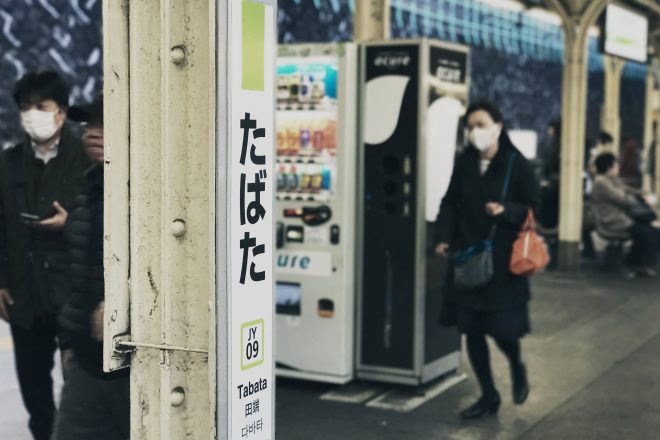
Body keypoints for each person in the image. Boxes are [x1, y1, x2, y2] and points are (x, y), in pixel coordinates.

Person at [435, 101, 539, 419]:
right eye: (469, 127)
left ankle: (516, 364)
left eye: (480, 124)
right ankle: (488, 395)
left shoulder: (515, 164)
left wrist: (506, 210)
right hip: (467, 257)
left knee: (502, 330)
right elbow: (450, 202)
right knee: (471, 330)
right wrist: (443, 237)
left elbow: (536, 208)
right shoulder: (465, 162)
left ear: (498, 126)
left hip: (501, 261)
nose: (474, 132)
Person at [0, 71, 89, 440]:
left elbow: (107, 223)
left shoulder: (85, 156)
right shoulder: (9, 161)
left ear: (62, 112)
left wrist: (70, 223)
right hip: (24, 293)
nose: (31, 115)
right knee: (35, 393)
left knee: (81, 390)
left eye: (41, 106)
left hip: (73, 292)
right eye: (24, 108)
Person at [52, 96, 130, 440]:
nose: (93, 133)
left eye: (104, 124)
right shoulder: (88, 186)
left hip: (131, 363)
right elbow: (77, 270)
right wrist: (68, 339)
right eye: (89, 125)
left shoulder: (151, 192)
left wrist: (122, 309)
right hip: (86, 357)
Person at [590, 153, 657, 277]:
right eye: (616, 164)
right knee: (644, 233)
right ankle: (635, 263)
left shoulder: (610, 180)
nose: (618, 167)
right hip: (612, 220)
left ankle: (640, 263)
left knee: (651, 231)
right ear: (609, 167)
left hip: (622, 218)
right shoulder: (601, 182)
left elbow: (627, 189)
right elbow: (622, 198)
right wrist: (641, 200)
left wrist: (642, 193)